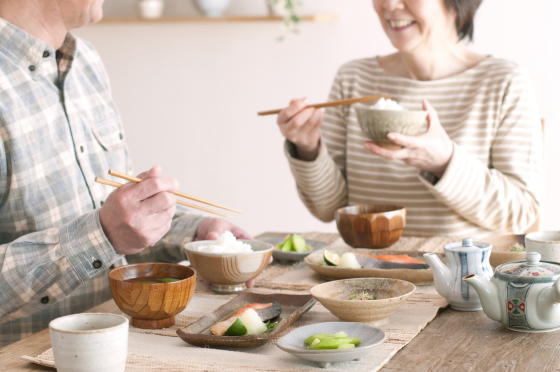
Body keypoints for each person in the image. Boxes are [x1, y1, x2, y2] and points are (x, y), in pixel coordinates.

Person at [0, 0, 254, 347]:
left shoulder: (84, 60)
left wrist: (193, 234)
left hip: (119, 344)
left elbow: (114, 222)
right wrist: (102, 234)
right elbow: (105, 231)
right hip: (29, 357)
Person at [277, 0, 542, 237]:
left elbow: (521, 213)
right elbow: (328, 208)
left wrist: (445, 163)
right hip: (362, 274)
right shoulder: (354, 78)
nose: (390, 5)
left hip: (459, 283)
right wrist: (308, 148)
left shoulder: (504, 82)